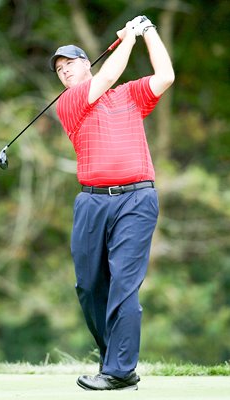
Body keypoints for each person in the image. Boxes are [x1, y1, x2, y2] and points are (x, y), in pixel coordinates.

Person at [49, 15, 174, 391]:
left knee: (124, 284)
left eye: (71, 64)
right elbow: (105, 79)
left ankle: (119, 371)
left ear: (88, 63)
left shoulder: (130, 95)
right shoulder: (69, 103)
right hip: (91, 203)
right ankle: (113, 360)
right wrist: (129, 38)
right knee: (89, 286)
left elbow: (165, 75)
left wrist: (147, 31)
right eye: (59, 70)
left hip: (136, 199)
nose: (65, 72)